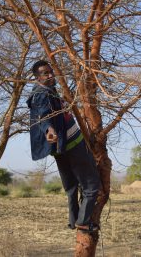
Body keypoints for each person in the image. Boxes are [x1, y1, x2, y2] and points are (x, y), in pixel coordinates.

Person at [27, 60, 100, 232]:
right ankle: (83, 222)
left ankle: (74, 220)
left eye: (51, 72)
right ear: (37, 77)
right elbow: (42, 116)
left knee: (72, 186)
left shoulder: (50, 92)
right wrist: (49, 130)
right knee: (92, 185)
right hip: (72, 145)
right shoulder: (42, 94)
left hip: (61, 149)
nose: (50, 75)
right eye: (45, 73)